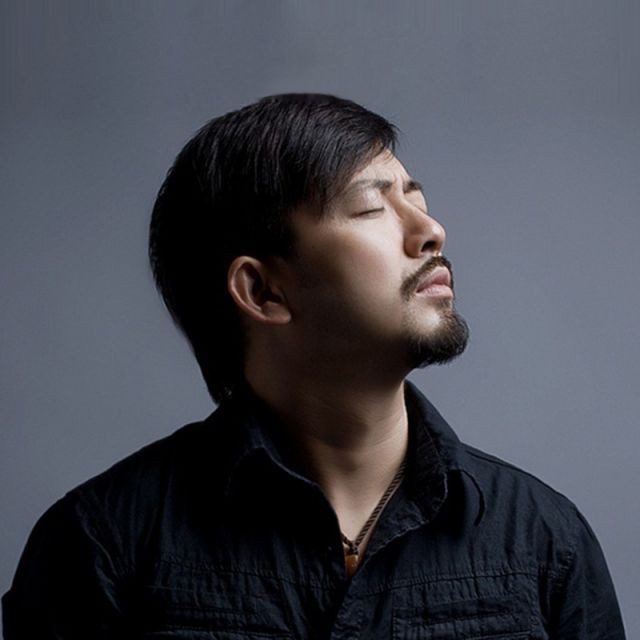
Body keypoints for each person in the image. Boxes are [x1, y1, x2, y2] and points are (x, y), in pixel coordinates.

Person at [2, 93, 626, 639]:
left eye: (417, 200)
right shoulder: (103, 544)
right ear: (263, 291)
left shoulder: (545, 540)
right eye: (372, 209)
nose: (431, 230)